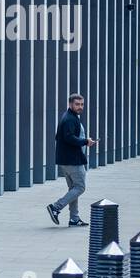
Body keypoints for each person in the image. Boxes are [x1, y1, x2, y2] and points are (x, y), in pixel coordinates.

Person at [47, 93, 96, 227]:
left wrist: (84, 141)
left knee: (73, 189)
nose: (80, 107)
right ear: (70, 104)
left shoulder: (70, 117)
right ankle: (56, 207)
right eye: (77, 104)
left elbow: (60, 137)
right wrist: (85, 141)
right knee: (80, 187)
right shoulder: (69, 119)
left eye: (82, 104)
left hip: (66, 160)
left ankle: (74, 219)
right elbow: (69, 138)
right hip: (72, 161)